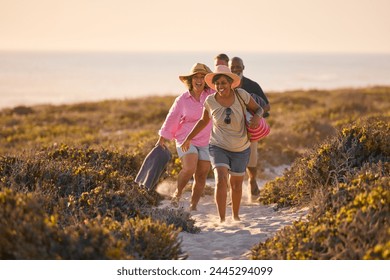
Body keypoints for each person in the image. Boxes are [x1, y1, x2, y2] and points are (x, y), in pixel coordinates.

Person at [181, 65, 263, 222]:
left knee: (236, 185)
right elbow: (203, 121)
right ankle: (222, 219)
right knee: (220, 179)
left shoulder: (241, 95)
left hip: (241, 147)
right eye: (217, 83)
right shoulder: (210, 100)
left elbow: (258, 109)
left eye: (224, 83)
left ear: (231, 83)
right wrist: (188, 138)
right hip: (218, 146)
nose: (220, 86)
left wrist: (257, 118)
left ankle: (236, 216)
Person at [156, 63, 214, 211]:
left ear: (206, 80)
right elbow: (172, 117)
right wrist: (163, 137)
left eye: (202, 77)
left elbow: (226, 89)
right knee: (189, 168)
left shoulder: (212, 95)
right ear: (191, 80)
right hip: (185, 137)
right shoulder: (182, 99)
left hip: (207, 140)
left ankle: (193, 206)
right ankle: (178, 192)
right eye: (196, 77)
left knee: (201, 175)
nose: (199, 80)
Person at [229, 57, 271, 197]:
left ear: (243, 67)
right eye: (232, 67)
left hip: (251, 128)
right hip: (231, 130)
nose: (235, 69)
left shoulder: (252, 85)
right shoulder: (225, 84)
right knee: (232, 162)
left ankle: (252, 180)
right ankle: (234, 193)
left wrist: (258, 116)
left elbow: (267, 105)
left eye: (238, 66)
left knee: (252, 159)